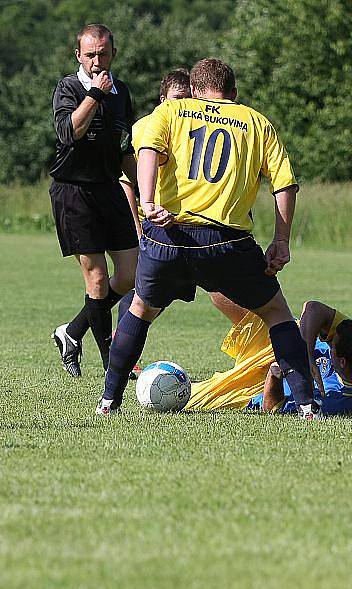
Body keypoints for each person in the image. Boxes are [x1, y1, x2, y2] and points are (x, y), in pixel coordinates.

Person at [96, 58, 320, 420]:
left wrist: (149, 202)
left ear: (196, 91)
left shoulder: (173, 111)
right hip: (225, 242)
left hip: (169, 236)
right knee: (276, 313)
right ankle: (308, 405)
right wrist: (281, 240)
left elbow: (148, 150)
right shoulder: (256, 121)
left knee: (140, 308)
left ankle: (108, 401)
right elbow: (284, 183)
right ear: (233, 92)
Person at [50, 24, 139, 377]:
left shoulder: (123, 93)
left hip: (109, 188)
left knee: (131, 274)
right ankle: (112, 367)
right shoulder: (68, 88)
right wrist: (95, 95)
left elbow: (123, 148)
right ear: (78, 56)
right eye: (90, 55)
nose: (97, 61)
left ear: (113, 53)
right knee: (98, 279)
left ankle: (71, 332)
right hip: (73, 190)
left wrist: (148, 191)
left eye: (103, 53)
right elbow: (69, 132)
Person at [187, 295, 352, 415]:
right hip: (284, 340)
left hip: (262, 382)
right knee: (221, 295)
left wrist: (275, 374)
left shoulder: (333, 401)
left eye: (332, 344)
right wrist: (303, 354)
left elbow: (272, 408)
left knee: (190, 398)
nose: (327, 341)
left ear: (342, 361)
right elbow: (313, 308)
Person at [117, 69, 192, 325]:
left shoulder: (195, 129)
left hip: (183, 224)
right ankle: (117, 349)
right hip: (152, 225)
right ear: (162, 100)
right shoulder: (145, 128)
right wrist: (138, 231)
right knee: (144, 295)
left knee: (160, 294)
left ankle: (76, 330)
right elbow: (127, 183)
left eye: (188, 98)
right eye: (177, 97)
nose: (183, 104)